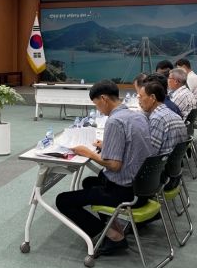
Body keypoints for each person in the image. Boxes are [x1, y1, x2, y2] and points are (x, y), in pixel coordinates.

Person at [55, 80, 154, 255]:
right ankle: (113, 226)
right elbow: (130, 145)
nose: (98, 110)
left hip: (124, 192)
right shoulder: (138, 116)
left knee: (62, 200)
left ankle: (112, 237)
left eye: (96, 105)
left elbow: (114, 166)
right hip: (144, 188)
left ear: (103, 99)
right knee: (89, 182)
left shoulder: (115, 121)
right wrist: (107, 145)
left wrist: (88, 153)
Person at [138, 81, 188, 155]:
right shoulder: (172, 114)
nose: (139, 101)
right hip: (173, 160)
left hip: (161, 161)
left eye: (141, 97)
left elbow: (150, 153)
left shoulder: (158, 119)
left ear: (152, 98)